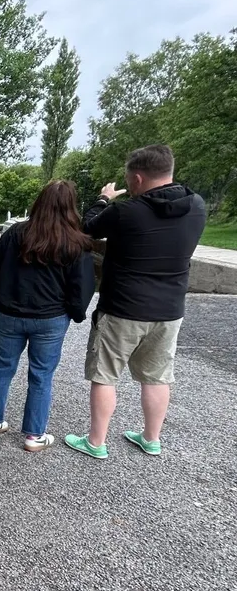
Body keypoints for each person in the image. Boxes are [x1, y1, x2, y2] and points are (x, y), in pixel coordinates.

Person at [65, 144, 205, 459]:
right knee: (156, 376)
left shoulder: (126, 211)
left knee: (105, 374)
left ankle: (96, 442)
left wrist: (104, 198)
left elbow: (87, 227)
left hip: (123, 308)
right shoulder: (196, 205)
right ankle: (150, 438)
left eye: (130, 181)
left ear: (138, 178)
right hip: (169, 310)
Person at [0, 180, 95, 452]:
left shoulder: (14, 235)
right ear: (71, 207)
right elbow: (82, 284)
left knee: (1, 367)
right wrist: (76, 312)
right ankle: (34, 434)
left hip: (9, 313)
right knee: (41, 375)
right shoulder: (76, 242)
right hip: (50, 318)